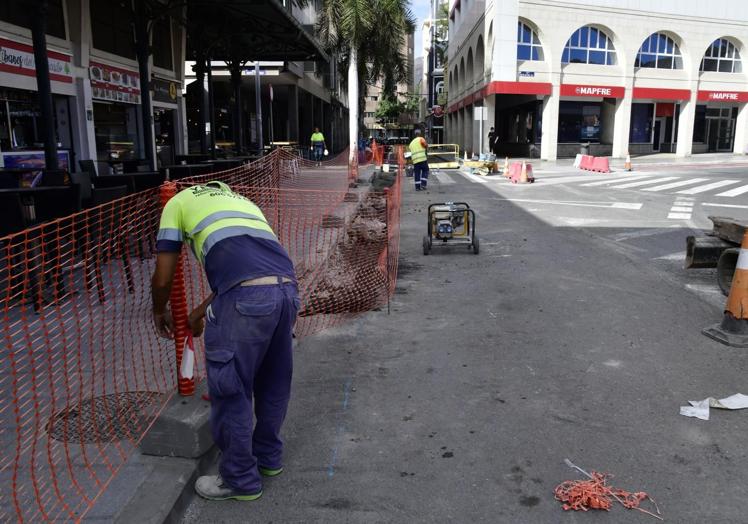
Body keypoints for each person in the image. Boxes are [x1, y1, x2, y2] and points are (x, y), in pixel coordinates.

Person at [151, 181, 299, 502]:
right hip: (287, 290)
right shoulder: (243, 201)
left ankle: (239, 479)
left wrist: (158, 308)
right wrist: (201, 311)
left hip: (245, 297)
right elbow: (252, 269)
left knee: (231, 388)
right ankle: (269, 459)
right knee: (274, 381)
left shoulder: (176, 202)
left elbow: (163, 276)